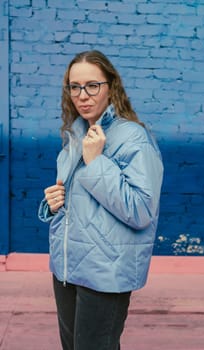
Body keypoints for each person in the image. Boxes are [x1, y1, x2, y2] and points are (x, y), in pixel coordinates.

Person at [38, 50, 163, 350]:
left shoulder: (133, 137)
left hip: (106, 270)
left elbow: (141, 210)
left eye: (92, 85)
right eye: (75, 86)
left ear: (111, 86)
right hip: (67, 268)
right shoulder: (75, 135)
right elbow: (83, 201)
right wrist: (55, 202)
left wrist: (96, 163)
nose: (83, 95)